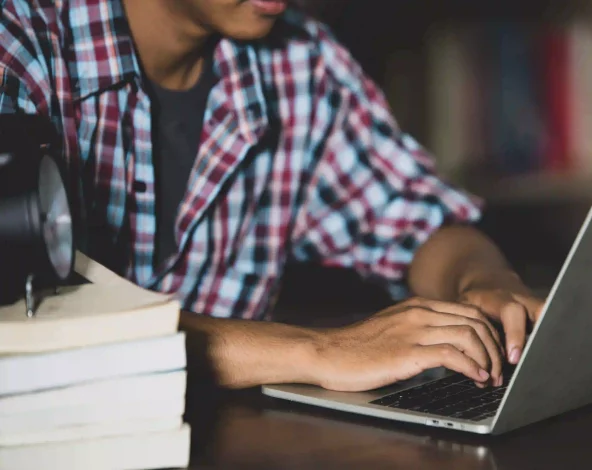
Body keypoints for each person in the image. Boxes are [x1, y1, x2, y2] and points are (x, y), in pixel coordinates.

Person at [0, 0, 545, 392]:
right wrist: (320, 351)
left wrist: (482, 282)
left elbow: (416, 220)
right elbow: (29, 323)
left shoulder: (300, 62)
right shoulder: (19, 44)